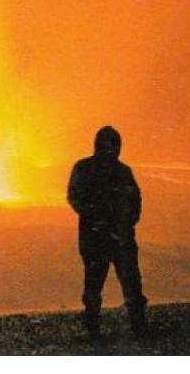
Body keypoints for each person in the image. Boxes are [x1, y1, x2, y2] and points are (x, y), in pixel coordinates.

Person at [66, 125, 148, 339]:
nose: (112, 150)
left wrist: (122, 223)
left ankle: (133, 326)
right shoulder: (96, 170)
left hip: (109, 237)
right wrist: (104, 220)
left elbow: (135, 202)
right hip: (104, 238)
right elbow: (76, 198)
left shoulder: (110, 171)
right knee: (100, 286)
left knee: (125, 284)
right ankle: (101, 327)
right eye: (110, 146)